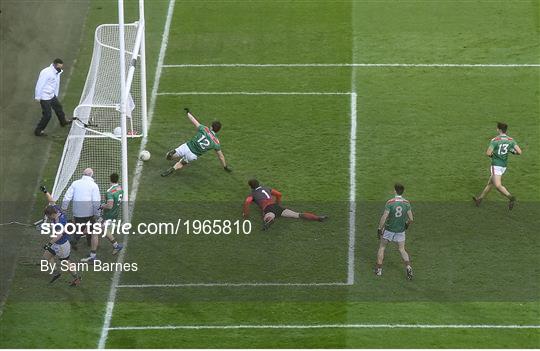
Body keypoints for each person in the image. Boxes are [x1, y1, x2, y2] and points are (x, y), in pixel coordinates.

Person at [161, 108, 232, 176]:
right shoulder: (216, 142)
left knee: (169, 156)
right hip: (193, 155)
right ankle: (173, 168)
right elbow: (221, 156)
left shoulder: (205, 129)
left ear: (211, 127)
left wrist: (188, 113)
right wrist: (225, 166)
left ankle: (172, 154)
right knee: (182, 163)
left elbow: (194, 121)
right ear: (218, 130)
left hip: (187, 147)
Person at [242, 179, 327, 230]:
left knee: (269, 216)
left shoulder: (253, 194)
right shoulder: (266, 188)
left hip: (268, 208)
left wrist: (246, 214)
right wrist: (277, 204)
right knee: (298, 214)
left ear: (251, 186)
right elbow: (279, 194)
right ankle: (318, 218)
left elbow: (247, 202)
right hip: (278, 207)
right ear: (258, 183)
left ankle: (269, 220)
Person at [473, 122, 522, 210]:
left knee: (498, 185)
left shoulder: (495, 140)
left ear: (498, 129)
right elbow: (519, 152)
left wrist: (494, 155)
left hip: (496, 165)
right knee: (490, 183)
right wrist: (511, 151)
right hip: (503, 166)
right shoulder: (511, 140)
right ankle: (479, 199)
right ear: (506, 130)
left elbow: (488, 153)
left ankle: (511, 198)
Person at [40, 186, 81, 286]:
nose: (48, 218)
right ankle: (56, 273)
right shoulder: (56, 209)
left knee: (65, 263)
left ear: (51, 215)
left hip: (62, 245)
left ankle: (77, 277)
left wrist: (49, 244)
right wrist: (45, 191)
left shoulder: (60, 222)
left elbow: (58, 235)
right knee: (46, 257)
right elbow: (51, 200)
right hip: (57, 243)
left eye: (48, 217)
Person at [80, 173, 124, 262]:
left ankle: (93, 256)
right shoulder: (120, 188)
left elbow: (109, 206)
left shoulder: (109, 192)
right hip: (114, 214)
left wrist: (102, 206)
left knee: (94, 233)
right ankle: (116, 246)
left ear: (110, 179)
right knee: (104, 229)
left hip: (108, 215)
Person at [375, 183, 414, 280]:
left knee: (382, 247)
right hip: (400, 230)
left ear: (395, 191)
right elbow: (411, 219)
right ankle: (408, 267)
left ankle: (379, 270)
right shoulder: (406, 203)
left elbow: (384, 217)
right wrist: (406, 224)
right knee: (402, 249)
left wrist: (379, 228)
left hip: (389, 229)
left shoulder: (390, 202)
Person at [61, 168, 101, 252]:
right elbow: (96, 201)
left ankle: (86, 242)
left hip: (77, 211)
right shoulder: (94, 185)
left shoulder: (75, 183)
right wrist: (97, 213)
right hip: (89, 212)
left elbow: (67, 196)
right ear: (91, 175)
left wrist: (64, 208)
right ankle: (74, 241)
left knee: (81, 227)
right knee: (89, 228)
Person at [34, 58, 70, 136]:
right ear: (54, 65)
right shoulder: (46, 72)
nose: (60, 68)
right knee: (47, 115)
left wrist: (55, 94)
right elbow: (40, 84)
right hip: (44, 97)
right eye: (59, 67)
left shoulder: (57, 72)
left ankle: (63, 121)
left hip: (51, 95)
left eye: (61, 67)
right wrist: (38, 96)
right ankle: (38, 131)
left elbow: (56, 84)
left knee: (59, 107)